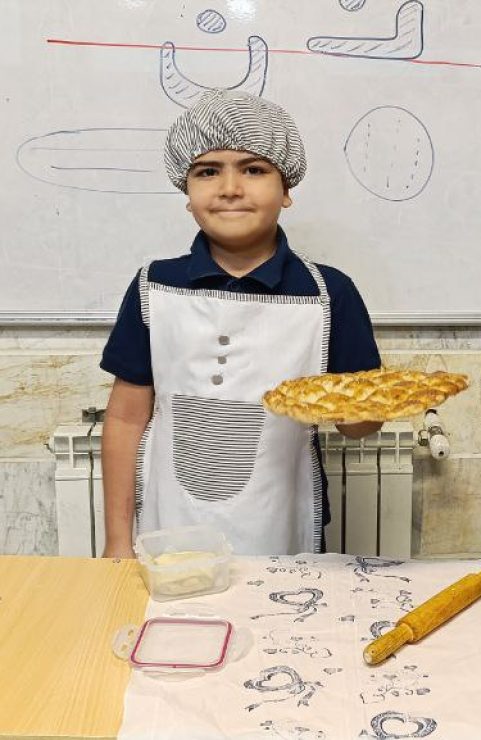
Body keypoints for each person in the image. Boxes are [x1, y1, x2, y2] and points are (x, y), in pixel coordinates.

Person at [100, 89, 381, 558]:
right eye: (207, 171)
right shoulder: (154, 285)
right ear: (187, 193)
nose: (230, 188)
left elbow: (358, 425)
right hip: (169, 526)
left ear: (286, 190)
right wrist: (116, 540)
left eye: (253, 169)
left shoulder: (329, 293)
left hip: (280, 526)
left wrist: (364, 411)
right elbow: (126, 418)